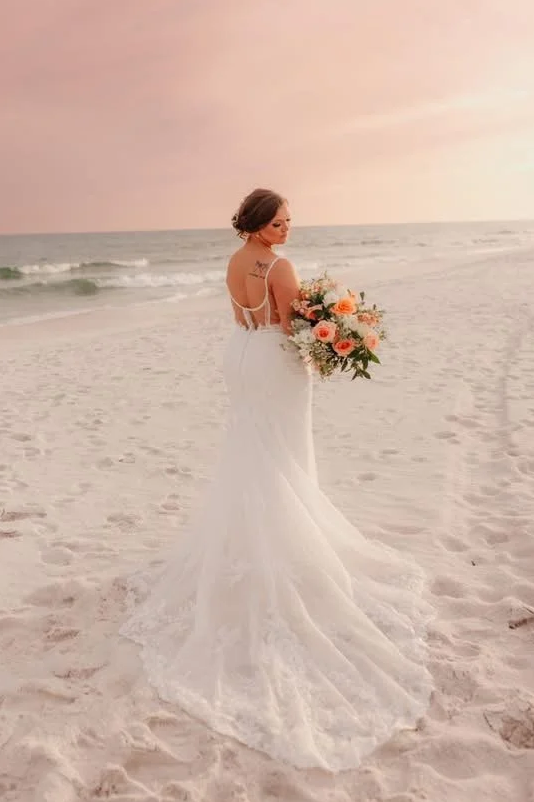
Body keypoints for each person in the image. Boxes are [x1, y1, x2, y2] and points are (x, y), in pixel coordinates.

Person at [119, 188, 433, 772]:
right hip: (273, 362)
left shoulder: (235, 262)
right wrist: (338, 331)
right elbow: (292, 328)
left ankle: (249, 541)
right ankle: (288, 547)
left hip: (238, 354)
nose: (287, 228)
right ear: (259, 224)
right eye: (279, 221)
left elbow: (246, 315)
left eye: (290, 221)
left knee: (250, 449)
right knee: (283, 453)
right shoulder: (278, 267)